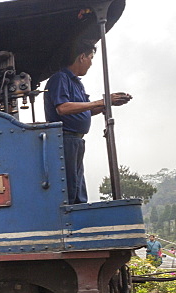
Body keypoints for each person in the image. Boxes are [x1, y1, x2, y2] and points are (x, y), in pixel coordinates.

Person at [44, 41, 132, 204]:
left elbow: (87, 110)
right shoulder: (60, 79)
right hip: (64, 139)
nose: (91, 63)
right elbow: (63, 108)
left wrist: (108, 103)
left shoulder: (77, 83)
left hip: (76, 140)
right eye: (91, 58)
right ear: (82, 57)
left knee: (77, 186)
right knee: (69, 187)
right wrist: (101, 102)